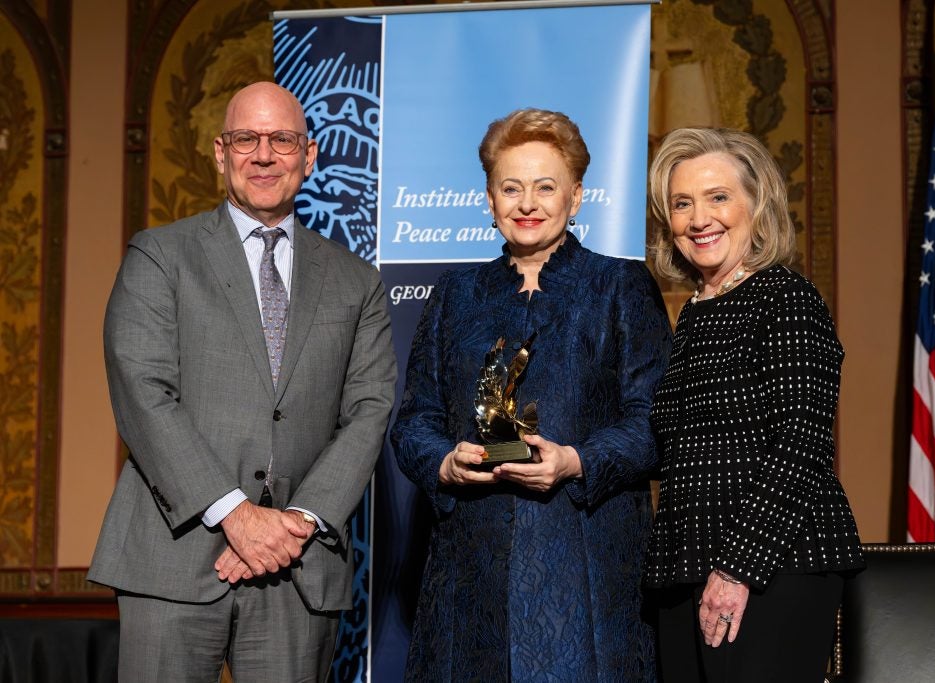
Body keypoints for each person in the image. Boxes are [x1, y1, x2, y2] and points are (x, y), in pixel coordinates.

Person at [88, 81, 396, 681]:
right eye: (245, 139)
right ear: (219, 152)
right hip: (170, 563)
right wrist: (235, 513)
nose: (263, 155)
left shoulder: (358, 283)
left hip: (297, 571)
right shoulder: (159, 256)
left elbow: (370, 410)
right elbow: (144, 394)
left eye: (281, 139)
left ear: (309, 156)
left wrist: (299, 522)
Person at [390, 108, 672, 681]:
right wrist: (444, 463)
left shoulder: (620, 285)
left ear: (576, 196)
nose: (527, 203)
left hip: (586, 564)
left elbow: (655, 422)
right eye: (510, 188)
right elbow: (413, 420)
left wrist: (577, 461)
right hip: (470, 571)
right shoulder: (454, 294)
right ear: (490, 201)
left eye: (546, 187)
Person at [644, 127, 864, 683]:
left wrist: (736, 568)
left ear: (756, 205)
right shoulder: (695, 314)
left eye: (718, 197)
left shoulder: (783, 297)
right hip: (686, 568)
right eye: (682, 203)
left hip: (772, 568)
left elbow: (801, 440)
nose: (699, 219)